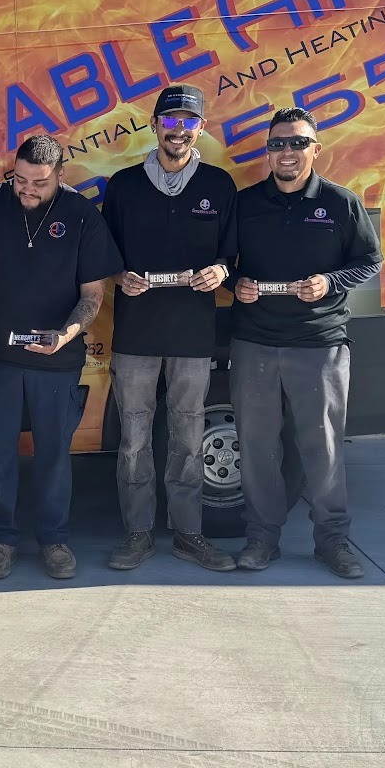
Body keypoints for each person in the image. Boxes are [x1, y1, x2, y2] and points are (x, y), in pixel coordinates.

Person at [0, 134, 123, 580]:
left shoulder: (82, 215)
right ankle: (0, 540)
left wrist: (64, 335)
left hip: (57, 362)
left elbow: (92, 295)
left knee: (54, 456)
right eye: (21, 180)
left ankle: (54, 539)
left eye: (39, 183)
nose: (27, 190)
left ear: (61, 175)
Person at [229, 106, 383, 579]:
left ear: (316, 149)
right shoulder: (245, 203)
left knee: (324, 449)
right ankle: (262, 539)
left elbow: (370, 261)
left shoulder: (340, 203)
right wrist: (236, 283)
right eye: (278, 144)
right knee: (256, 449)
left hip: (319, 344)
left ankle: (332, 541)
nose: (287, 152)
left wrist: (330, 282)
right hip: (254, 342)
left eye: (298, 143)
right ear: (268, 152)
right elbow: (221, 261)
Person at [102, 84, 238, 572]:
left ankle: (188, 533)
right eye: (170, 120)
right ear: (154, 125)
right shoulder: (123, 185)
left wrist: (220, 271)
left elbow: (230, 253)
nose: (179, 130)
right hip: (135, 333)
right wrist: (120, 275)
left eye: (188, 121)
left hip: (192, 334)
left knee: (188, 435)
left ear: (201, 128)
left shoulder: (219, 185)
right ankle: (138, 533)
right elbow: (104, 251)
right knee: (134, 438)